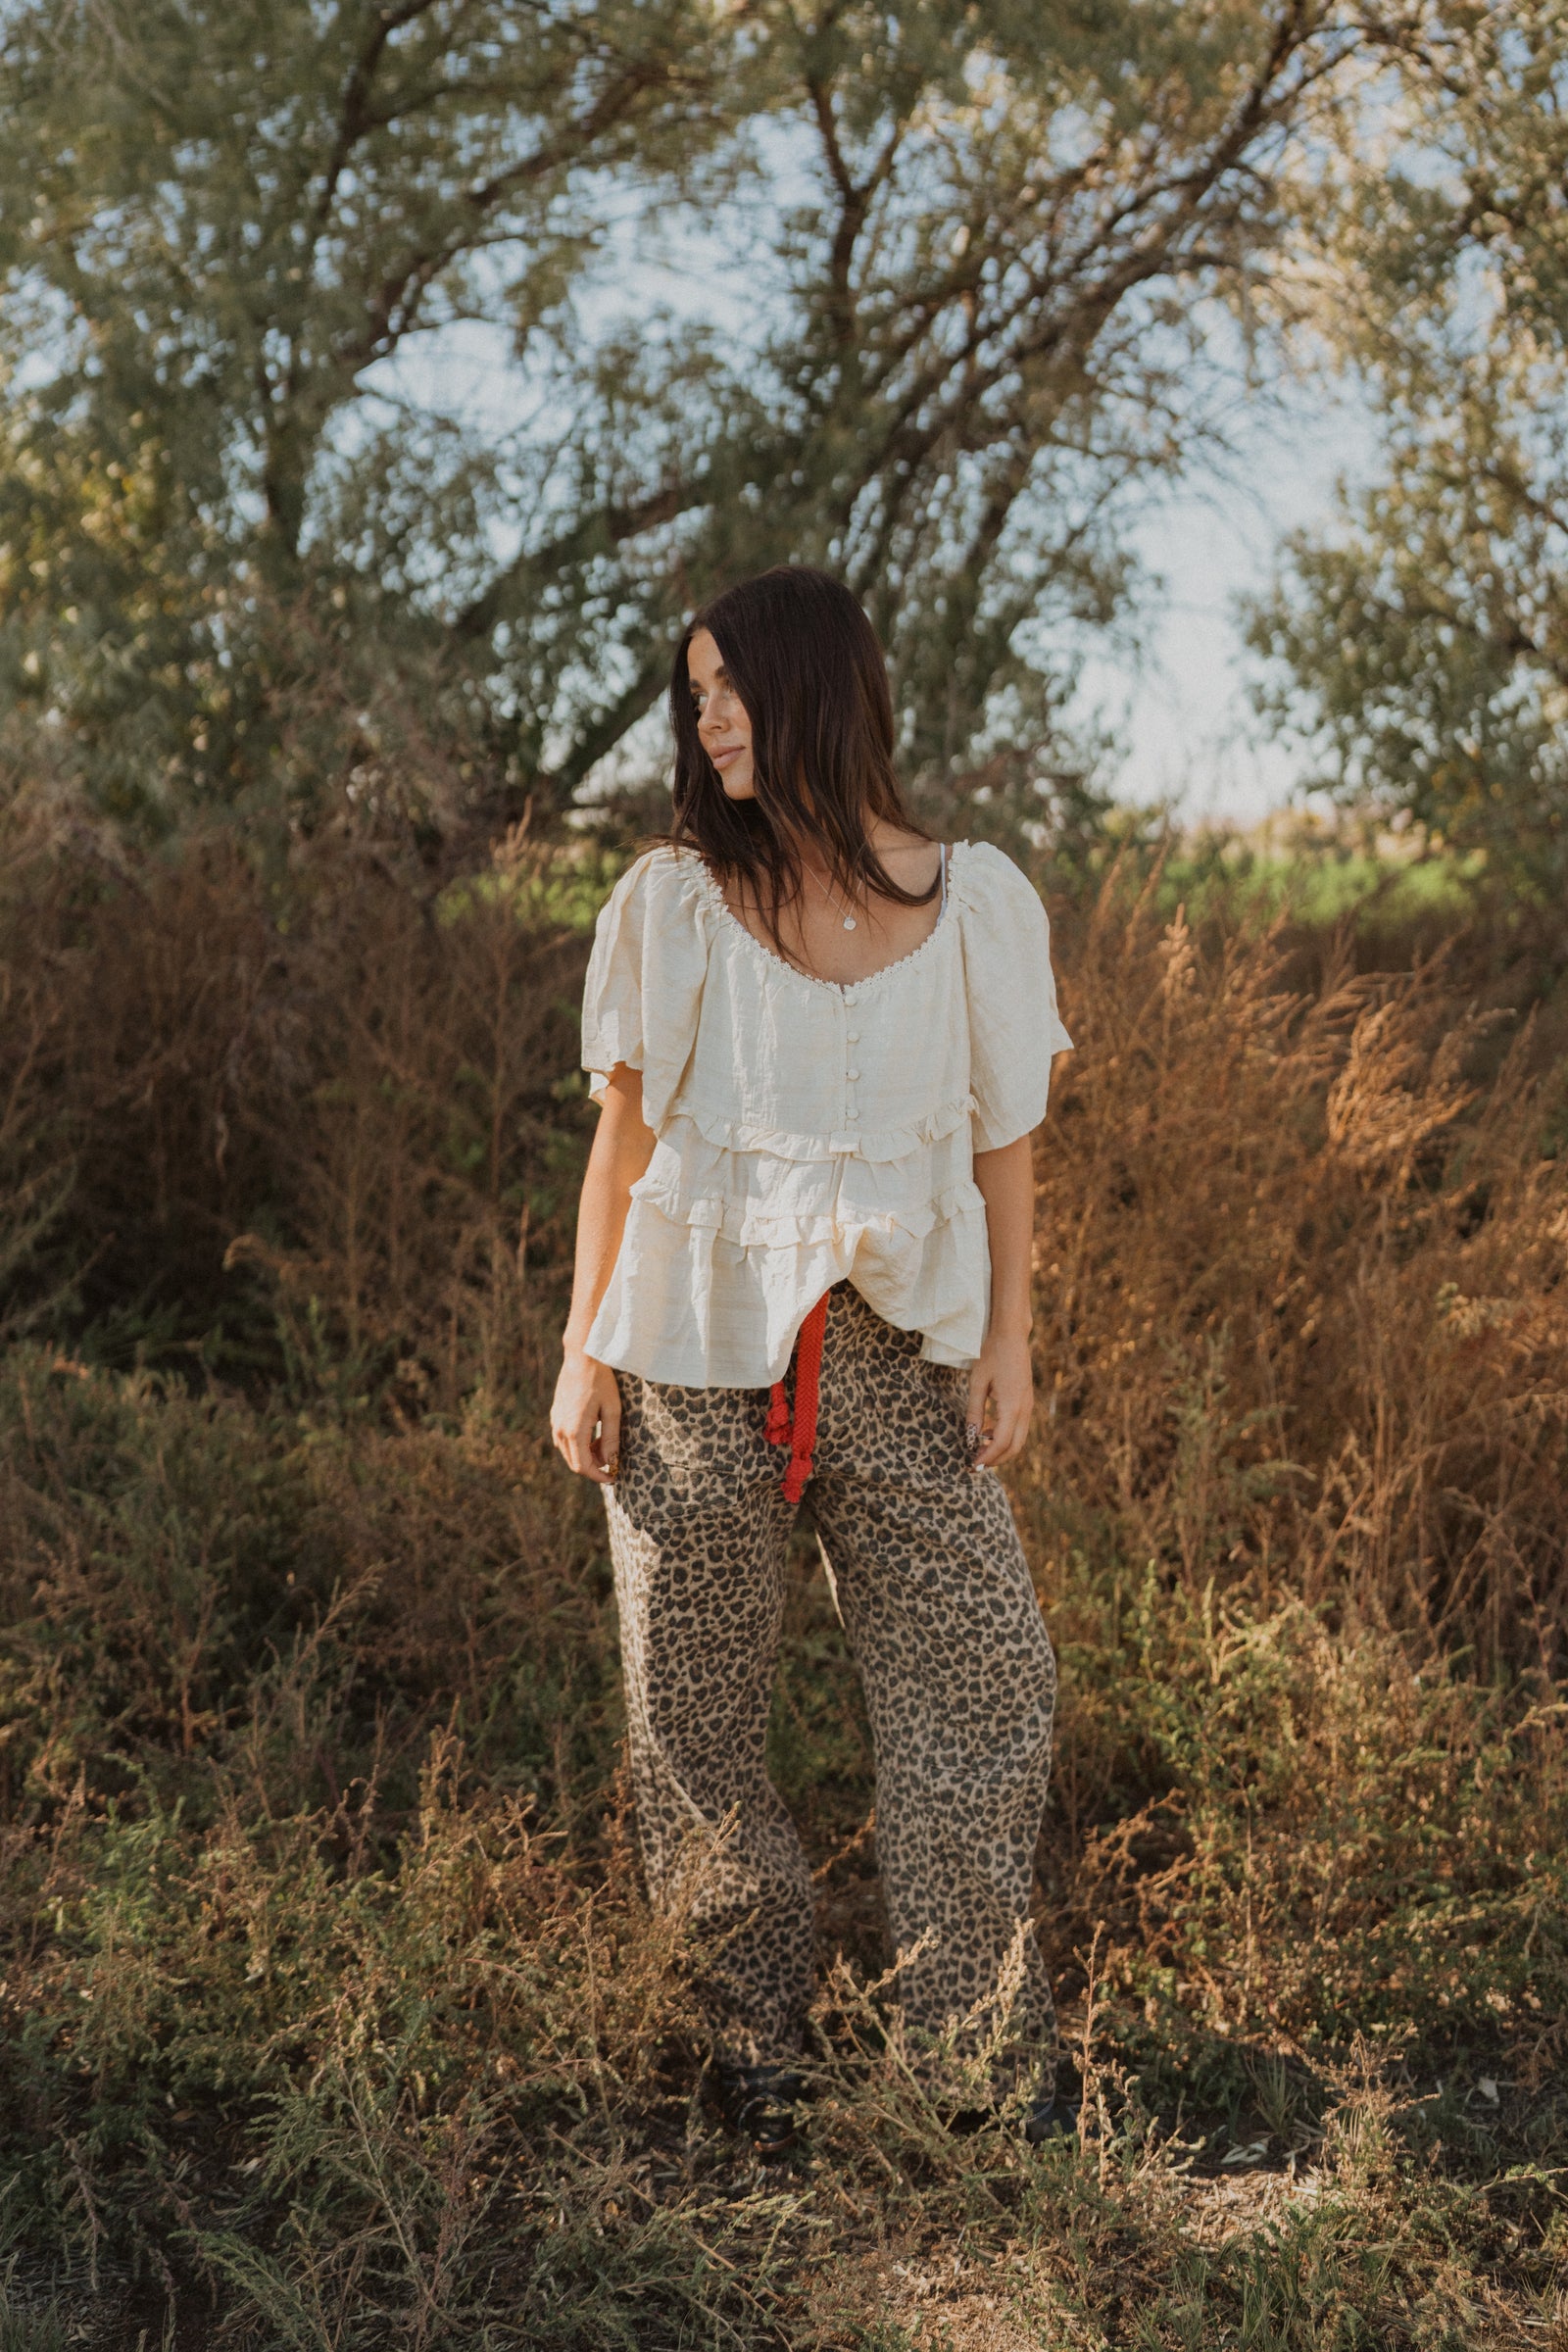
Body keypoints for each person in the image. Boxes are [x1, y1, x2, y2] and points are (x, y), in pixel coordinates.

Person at [551, 565, 1072, 2156]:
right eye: (692, 691)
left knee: (991, 1684)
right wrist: (583, 1355)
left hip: (907, 1353)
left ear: (820, 688)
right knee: (694, 1712)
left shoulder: (975, 900)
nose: (705, 718)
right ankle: (755, 2039)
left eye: (732, 685)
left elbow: (1005, 1154)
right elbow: (622, 1145)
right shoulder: (671, 903)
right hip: (696, 1347)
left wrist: (1011, 1341)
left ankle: (978, 2055)